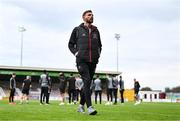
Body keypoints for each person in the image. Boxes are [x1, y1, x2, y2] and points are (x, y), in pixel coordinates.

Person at [68, 10, 102, 115]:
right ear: (83, 17)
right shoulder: (77, 30)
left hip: (93, 61)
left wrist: (98, 54)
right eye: (89, 15)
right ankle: (90, 107)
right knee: (87, 81)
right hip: (81, 60)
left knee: (88, 84)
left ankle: (80, 106)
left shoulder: (96, 30)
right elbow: (70, 44)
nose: (91, 16)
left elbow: (100, 45)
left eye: (92, 15)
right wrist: (76, 53)